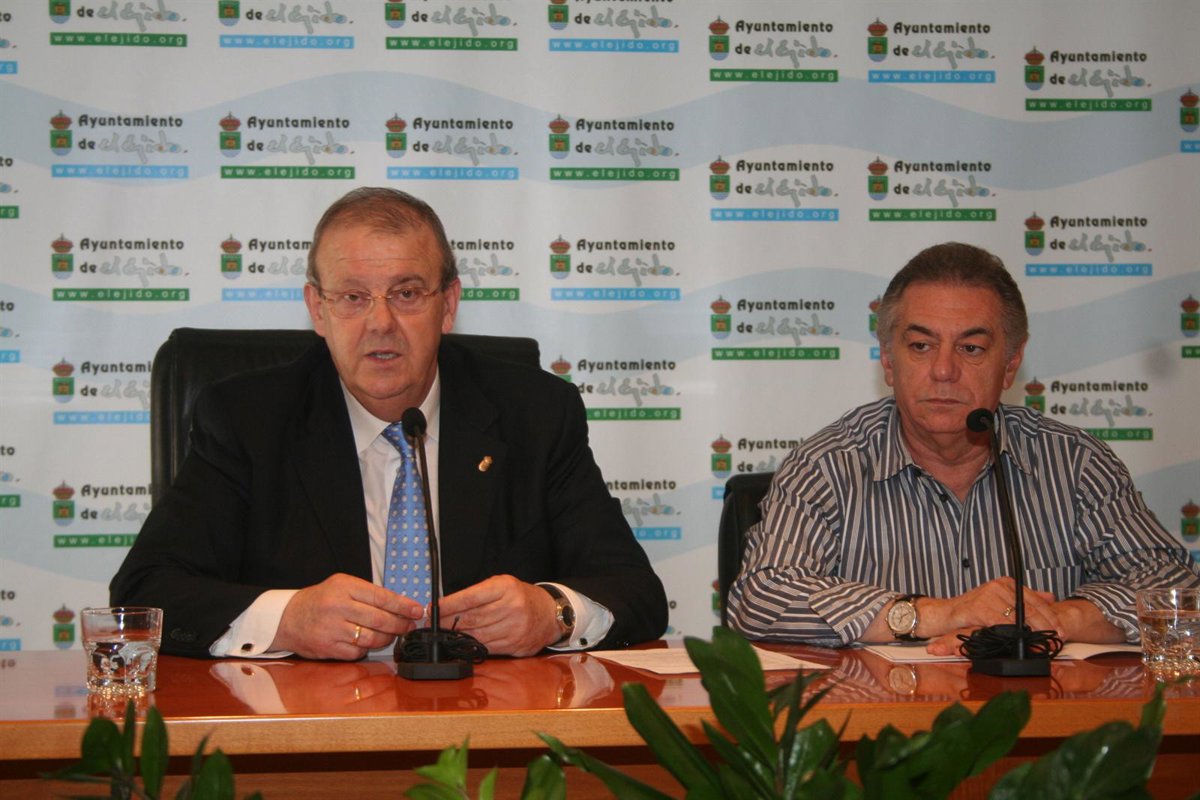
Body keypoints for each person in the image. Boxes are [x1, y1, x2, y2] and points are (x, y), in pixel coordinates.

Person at [111, 188, 667, 660]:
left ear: (448, 304)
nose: (381, 322)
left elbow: (636, 591)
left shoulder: (535, 413)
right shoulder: (248, 418)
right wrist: (289, 618)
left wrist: (554, 612)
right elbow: (143, 594)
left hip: (489, 718)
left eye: (406, 293)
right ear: (318, 309)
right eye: (353, 297)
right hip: (312, 726)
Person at [727, 242, 1199, 654]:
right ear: (888, 360)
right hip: (885, 723)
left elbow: (1176, 589)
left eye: (971, 349)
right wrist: (937, 614)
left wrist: (1056, 619)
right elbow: (761, 599)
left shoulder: (1076, 464)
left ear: (1010, 363)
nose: (943, 371)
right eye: (921, 346)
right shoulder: (827, 465)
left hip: (1043, 720)